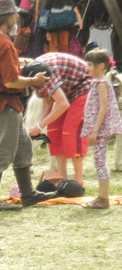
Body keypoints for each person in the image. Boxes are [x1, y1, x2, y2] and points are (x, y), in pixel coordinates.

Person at [0, 0, 55, 211]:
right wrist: (34, 80)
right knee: (1, 153)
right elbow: (10, 81)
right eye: (14, 13)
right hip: (5, 106)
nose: (17, 16)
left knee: (24, 149)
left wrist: (21, 64)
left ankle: (28, 194)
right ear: (7, 17)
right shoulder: (4, 43)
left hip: (4, 104)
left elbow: (5, 71)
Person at [23, 52, 92, 186]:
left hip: (83, 88)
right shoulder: (32, 77)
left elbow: (63, 104)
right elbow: (47, 104)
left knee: (71, 132)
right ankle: (63, 178)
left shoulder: (44, 75)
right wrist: (39, 125)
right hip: (66, 91)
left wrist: (38, 126)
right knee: (54, 131)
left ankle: (79, 181)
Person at [81, 49, 122, 208]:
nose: (87, 67)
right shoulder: (97, 82)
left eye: (90, 64)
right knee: (99, 161)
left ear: (101, 66)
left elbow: (103, 108)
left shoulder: (101, 84)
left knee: (100, 162)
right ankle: (102, 196)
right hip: (99, 129)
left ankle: (103, 198)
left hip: (100, 129)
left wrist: (94, 130)